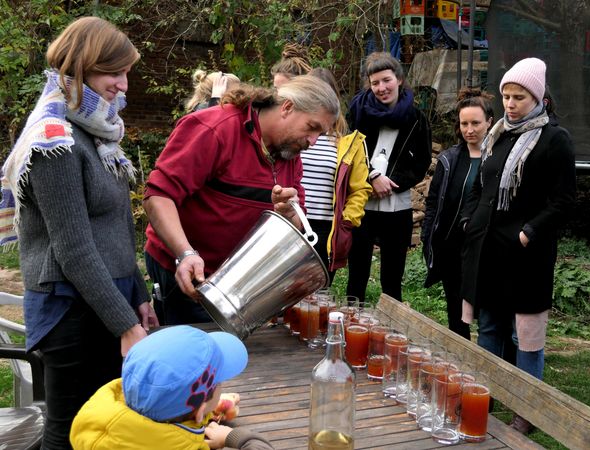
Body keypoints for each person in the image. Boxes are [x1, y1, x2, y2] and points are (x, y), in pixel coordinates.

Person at [0, 17, 158, 449]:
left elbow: (116, 229)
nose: (124, 85)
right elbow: (73, 250)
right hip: (69, 310)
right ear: (83, 65)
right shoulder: (55, 139)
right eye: (115, 72)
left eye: (127, 73)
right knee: (69, 429)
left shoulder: (97, 132)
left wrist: (139, 297)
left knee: (106, 426)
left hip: (107, 300)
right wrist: (126, 325)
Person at [144, 76, 339, 325]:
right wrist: (185, 253)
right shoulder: (215, 128)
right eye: (311, 127)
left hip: (238, 282)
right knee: (192, 356)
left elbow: (297, 213)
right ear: (287, 107)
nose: (313, 141)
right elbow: (158, 195)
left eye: (320, 134)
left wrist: (291, 214)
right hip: (187, 272)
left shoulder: (289, 153)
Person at [460, 58, 576, 433]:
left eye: (519, 97)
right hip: (489, 250)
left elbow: (563, 202)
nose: (510, 104)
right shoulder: (497, 133)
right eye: (507, 96)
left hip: (527, 255)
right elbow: (483, 185)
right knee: (491, 326)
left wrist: (528, 232)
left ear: (537, 97)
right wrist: (470, 219)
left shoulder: (554, 139)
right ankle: (484, 394)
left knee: (524, 334)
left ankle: (528, 409)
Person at [70, 325, 274, 449]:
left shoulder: (98, 427)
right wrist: (233, 437)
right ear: (199, 410)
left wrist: (205, 411)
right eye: (219, 381)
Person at [346, 52, 432, 303]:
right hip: (362, 204)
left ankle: (389, 330)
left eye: (386, 80)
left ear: (399, 80)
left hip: (398, 208)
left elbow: (422, 161)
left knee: (392, 278)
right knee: (357, 274)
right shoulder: (358, 112)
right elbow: (350, 150)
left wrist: (391, 184)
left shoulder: (416, 118)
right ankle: (353, 325)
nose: (382, 88)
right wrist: (372, 177)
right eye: (375, 83)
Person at [422, 88, 494, 340]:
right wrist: (427, 236)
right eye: (464, 123)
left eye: (475, 122)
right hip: (451, 247)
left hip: (485, 247)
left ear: (489, 122)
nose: (469, 129)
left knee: (486, 311)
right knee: (456, 311)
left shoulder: (498, 158)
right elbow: (434, 203)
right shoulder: (449, 159)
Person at [295, 68, 372, 282]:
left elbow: (360, 189)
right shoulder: (292, 134)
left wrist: (346, 222)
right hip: (292, 224)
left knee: (318, 293)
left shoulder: (346, 143)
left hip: (325, 228)